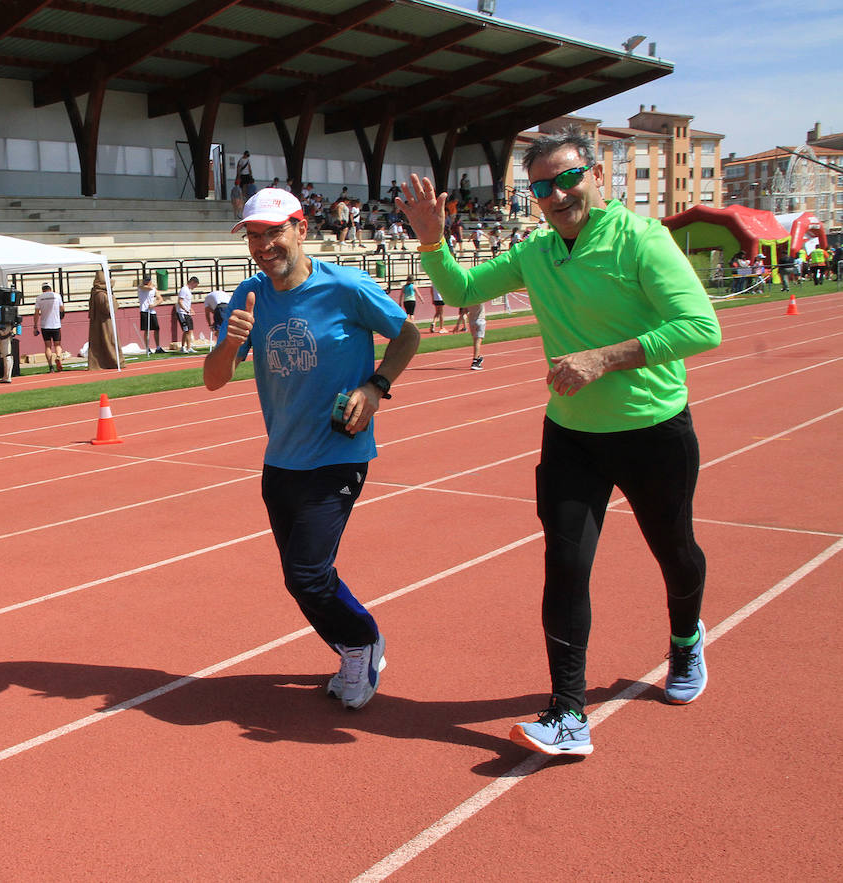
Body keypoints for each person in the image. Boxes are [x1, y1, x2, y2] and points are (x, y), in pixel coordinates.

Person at [396, 130, 721, 756]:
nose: (557, 194)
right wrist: (433, 239)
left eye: (568, 178)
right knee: (566, 567)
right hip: (572, 434)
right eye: (541, 186)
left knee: (674, 550)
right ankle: (568, 713)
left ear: (595, 175)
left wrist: (607, 358)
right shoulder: (537, 253)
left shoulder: (641, 241)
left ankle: (685, 640)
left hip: (653, 428)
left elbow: (701, 328)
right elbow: (462, 291)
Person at [203, 187, 420, 710]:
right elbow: (213, 380)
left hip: (338, 454)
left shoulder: (345, 286)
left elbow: (408, 335)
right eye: (254, 237)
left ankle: (362, 642)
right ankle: (355, 645)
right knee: (301, 578)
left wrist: (375, 386)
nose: (263, 246)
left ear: (301, 229)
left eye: (274, 233)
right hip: (281, 459)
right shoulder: (250, 295)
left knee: (307, 572)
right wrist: (232, 341)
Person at [86, 269, 121, 370]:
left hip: (99, 322)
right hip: (105, 322)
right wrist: (112, 298)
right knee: (109, 341)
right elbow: (109, 309)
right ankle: (114, 361)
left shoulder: (96, 292)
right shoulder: (101, 294)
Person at [33, 282, 65, 373]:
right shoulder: (57, 296)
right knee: (57, 344)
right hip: (55, 324)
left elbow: (36, 313)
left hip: (45, 325)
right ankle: (58, 357)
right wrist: (60, 316)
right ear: (50, 288)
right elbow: (62, 309)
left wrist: (35, 326)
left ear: (42, 289)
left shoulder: (39, 298)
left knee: (48, 346)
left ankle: (51, 366)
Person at [136, 274, 164, 355]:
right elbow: (148, 288)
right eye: (145, 280)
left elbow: (160, 299)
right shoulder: (141, 287)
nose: (147, 282)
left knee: (156, 329)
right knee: (146, 330)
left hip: (152, 311)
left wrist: (154, 304)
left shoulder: (153, 288)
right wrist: (151, 286)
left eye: (148, 280)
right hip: (144, 310)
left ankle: (158, 347)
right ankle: (147, 348)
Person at [175, 276, 199, 353]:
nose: (195, 287)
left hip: (186, 313)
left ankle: (189, 347)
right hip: (182, 313)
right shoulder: (184, 289)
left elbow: (186, 302)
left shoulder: (188, 290)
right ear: (192, 282)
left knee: (189, 330)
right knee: (186, 330)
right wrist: (185, 310)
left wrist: (190, 309)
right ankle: (183, 347)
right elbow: (180, 301)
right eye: (195, 285)